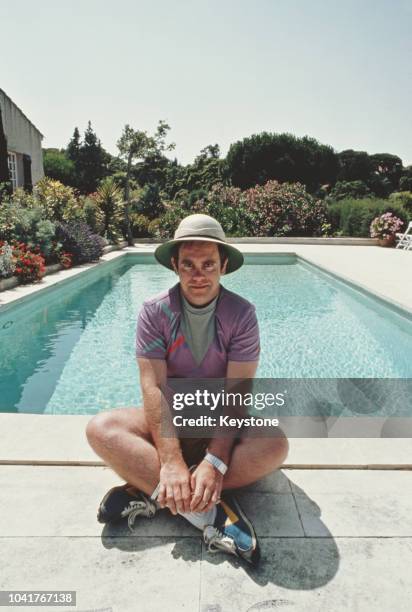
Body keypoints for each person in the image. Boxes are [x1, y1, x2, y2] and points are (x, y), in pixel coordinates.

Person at [86, 214, 288, 566]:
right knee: (101, 430)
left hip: (218, 421)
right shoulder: (154, 312)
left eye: (208, 264)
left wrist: (215, 460)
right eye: (189, 265)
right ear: (175, 266)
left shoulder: (242, 314)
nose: (198, 275)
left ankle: (152, 490)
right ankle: (211, 515)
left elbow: (237, 392)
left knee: (275, 444)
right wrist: (170, 459)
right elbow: (153, 386)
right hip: (171, 422)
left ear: (223, 265)